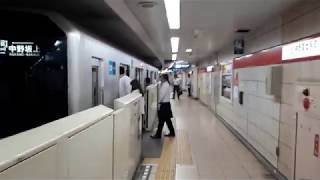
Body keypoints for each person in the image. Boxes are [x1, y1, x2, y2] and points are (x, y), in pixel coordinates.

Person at [151, 74, 175, 139]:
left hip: (164, 105)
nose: (160, 79)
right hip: (166, 105)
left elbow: (161, 95)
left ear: (164, 78)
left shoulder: (165, 85)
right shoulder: (165, 84)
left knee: (161, 120)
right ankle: (172, 132)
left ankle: (158, 135)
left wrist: (158, 103)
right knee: (167, 120)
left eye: (160, 77)